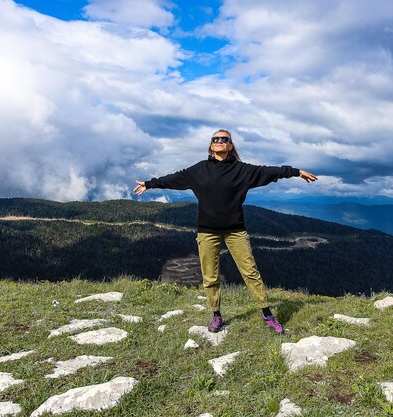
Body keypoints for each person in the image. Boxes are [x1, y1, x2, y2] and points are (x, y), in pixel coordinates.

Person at [133, 129, 317, 334]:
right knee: (210, 276)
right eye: (215, 139)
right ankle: (216, 316)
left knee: (250, 272)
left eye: (224, 139)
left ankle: (267, 314)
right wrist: (150, 184)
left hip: (235, 230)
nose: (220, 141)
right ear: (211, 146)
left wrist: (295, 171)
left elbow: (268, 171)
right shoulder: (199, 170)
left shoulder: (242, 170)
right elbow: (174, 179)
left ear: (230, 146)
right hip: (207, 231)